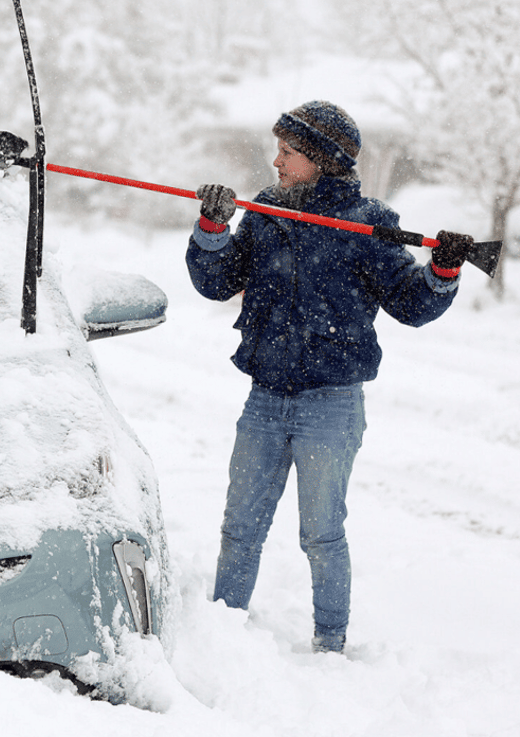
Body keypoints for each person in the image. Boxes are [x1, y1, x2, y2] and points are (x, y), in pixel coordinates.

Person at [185, 100, 474, 654]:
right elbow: (218, 282)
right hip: (265, 397)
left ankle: (331, 644)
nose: (276, 161)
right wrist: (212, 228)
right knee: (239, 529)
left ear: (320, 159)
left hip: (331, 404)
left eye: (288, 153)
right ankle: (220, 640)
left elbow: (411, 304)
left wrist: (442, 271)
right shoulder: (267, 211)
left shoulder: (368, 224)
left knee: (321, 535)